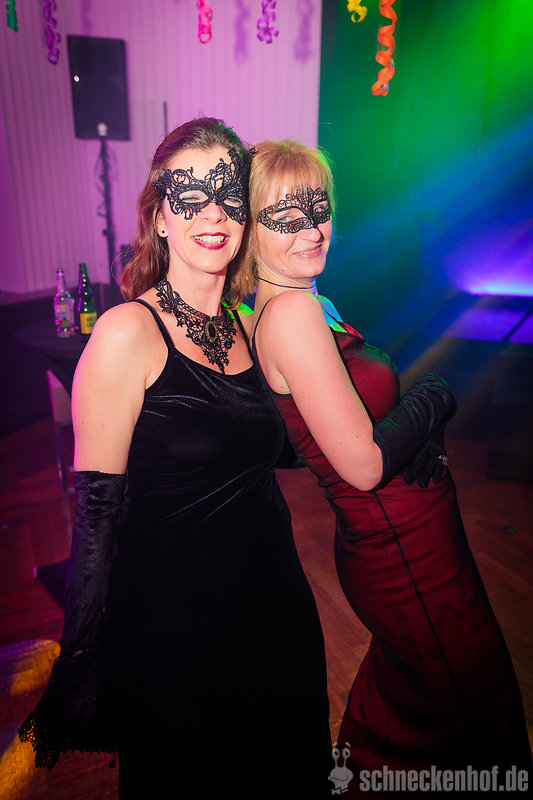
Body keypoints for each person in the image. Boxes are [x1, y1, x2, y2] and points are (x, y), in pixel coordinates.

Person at [19, 119, 332, 798]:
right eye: (189, 196)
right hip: (177, 641)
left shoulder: (249, 325)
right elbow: (96, 518)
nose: (212, 213)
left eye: (228, 195)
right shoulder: (126, 333)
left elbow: (277, 451)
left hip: (277, 618)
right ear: (159, 217)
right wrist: (82, 655)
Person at [236, 139, 532, 796]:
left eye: (318, 208)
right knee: (471, 718)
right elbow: (365, 465)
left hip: (401, 541)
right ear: (250, 229)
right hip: (403, 550)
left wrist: (405, 426)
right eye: (285, 216)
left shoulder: (287, 302)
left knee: (413, 716)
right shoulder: (291, 312)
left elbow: (319, 436)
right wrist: (431, 400)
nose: (312, 228)